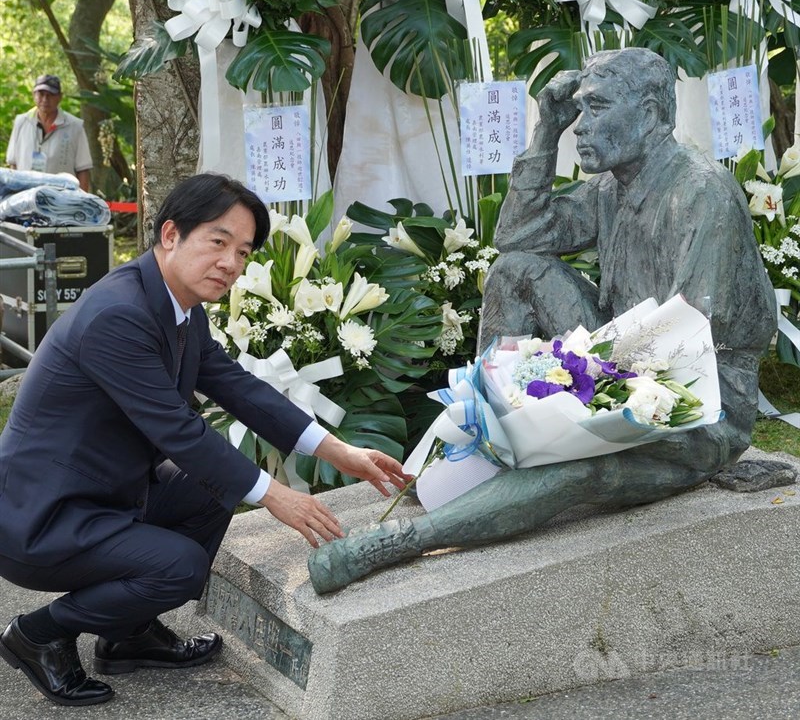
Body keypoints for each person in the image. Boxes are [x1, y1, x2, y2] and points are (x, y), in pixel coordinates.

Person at [306, 48, 777, 594]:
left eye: (596, 108)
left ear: (649, 115)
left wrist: (572, 410)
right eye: (581, 110)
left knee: (581, 465)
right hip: (620, 366)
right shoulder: (613, 185)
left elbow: (689, 336)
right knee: (516, 270)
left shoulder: (701, 193)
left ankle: (403, 542)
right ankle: (489, 432)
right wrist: (545, 135)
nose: (584, 125)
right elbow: (518, 238)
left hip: (697, 403)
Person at [0, 173, 410, 706]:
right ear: (170, 234)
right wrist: (277, 496)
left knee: (207, 487)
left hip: (106, 490)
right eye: (218, 242)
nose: (231, 265)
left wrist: (340, 451)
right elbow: (178, 429)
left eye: (242, 252)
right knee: (180, 566)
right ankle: (39, 634)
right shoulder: (119, 314)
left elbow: (237, 387)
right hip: (40, 515)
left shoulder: (178, 307)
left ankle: (129, 635)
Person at [5, 75, 92, 191]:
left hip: (61, 200)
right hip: (24, 198)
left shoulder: (74, 126)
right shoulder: (21, 122)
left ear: (60, 97)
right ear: (33, 95)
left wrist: (82, 203)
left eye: (50, 95)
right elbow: (13, 166)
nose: (45, 99)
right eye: (41, 94)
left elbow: (83, 169)